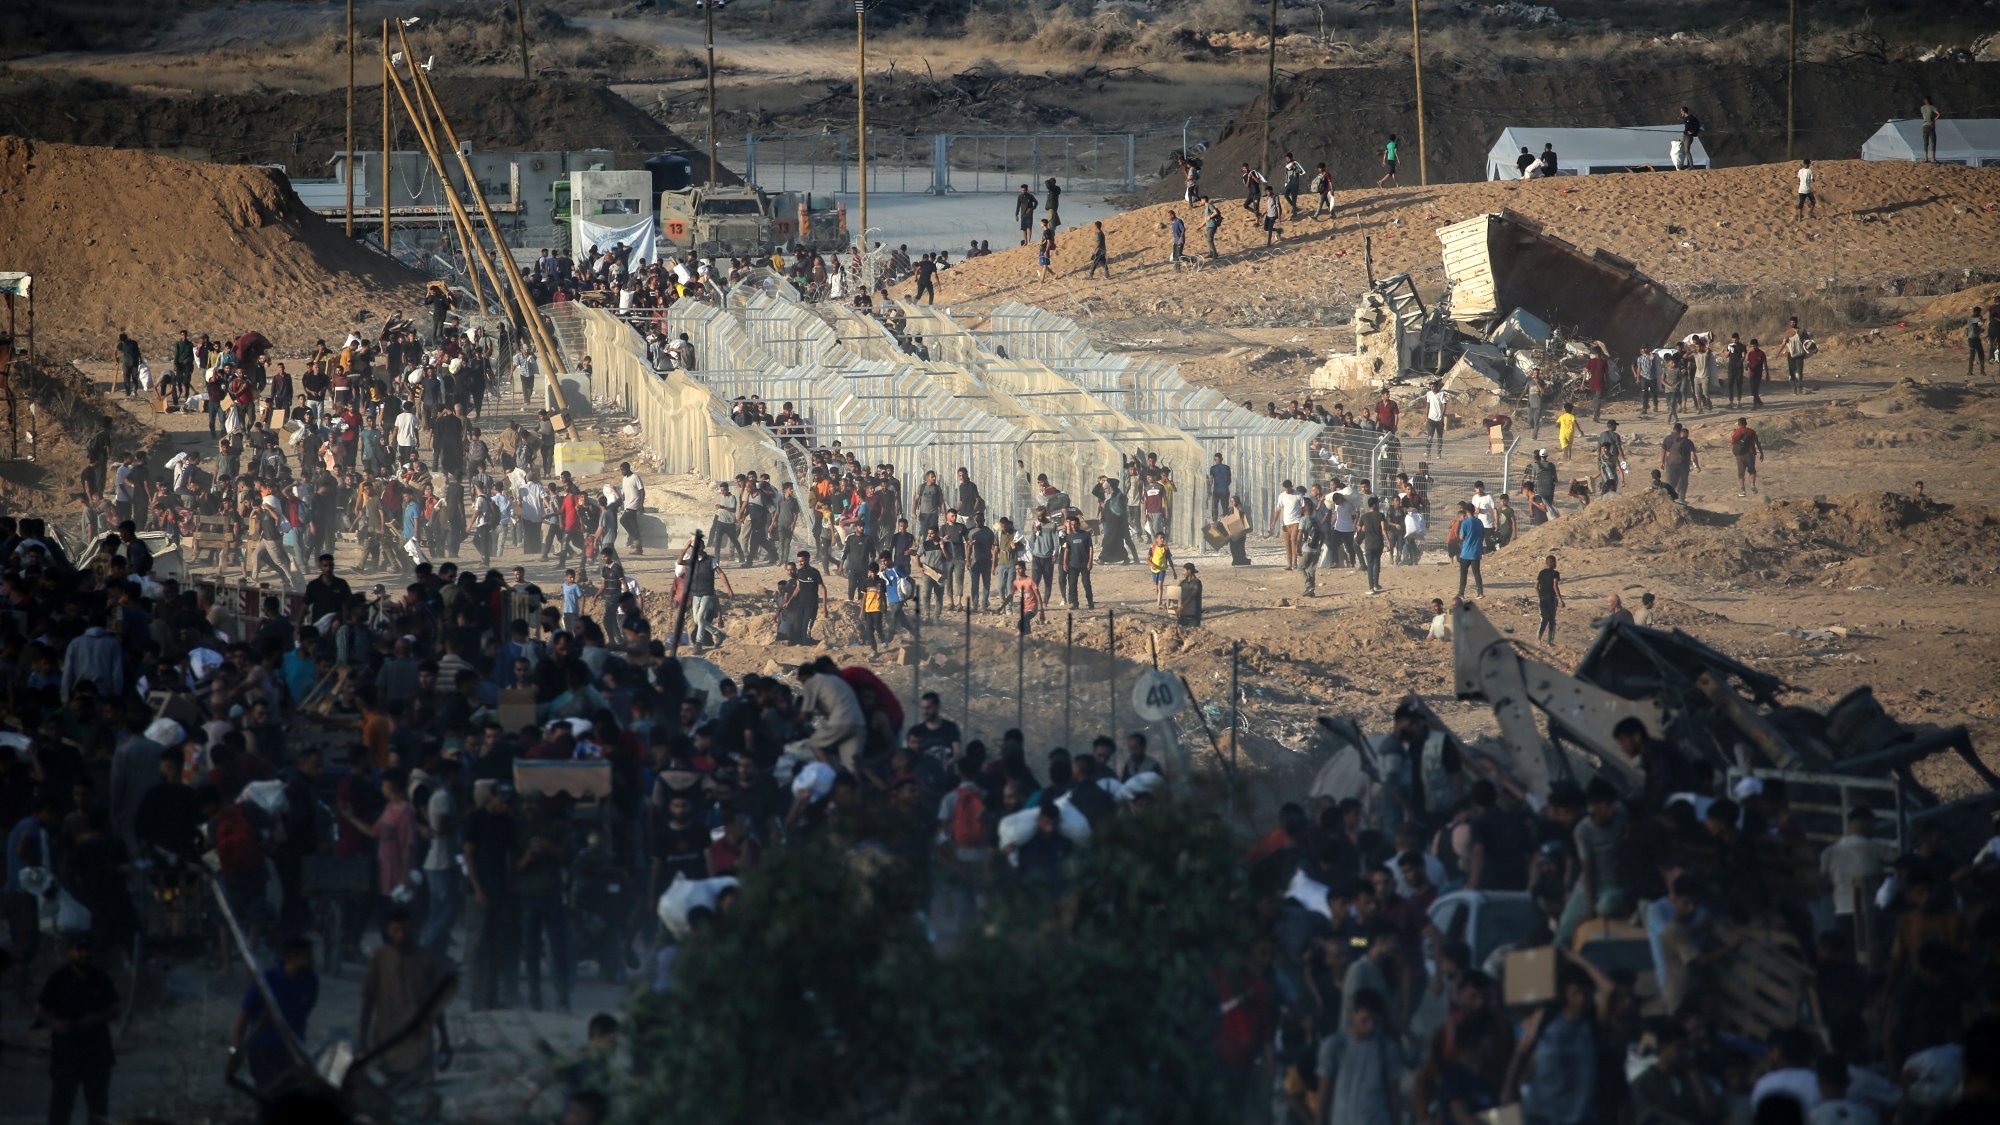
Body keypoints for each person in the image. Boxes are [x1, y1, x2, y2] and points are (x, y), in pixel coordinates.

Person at [358, 909, 451, 1084]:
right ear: (389, 931)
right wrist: (362, 1038)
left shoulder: (425, 958)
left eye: (405, 930)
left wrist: (445, 1039)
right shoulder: (379, 959)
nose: (401, 935)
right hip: (387, 1046)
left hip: (420, 1049)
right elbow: (368, 1001)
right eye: (397, 930)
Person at [38, 935, 121, 1125]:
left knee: (97, 1104)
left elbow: (115, 1008)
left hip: (96, 1048)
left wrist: (96, 1019)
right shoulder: (59, 978)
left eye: (86, 950)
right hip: (67, 1048)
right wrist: (56, 1023)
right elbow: (41, 1009)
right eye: (79, 950)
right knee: (62, 1102)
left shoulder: (100, 977)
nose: (84, 954)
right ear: (70, 952)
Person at [229, 937, 320, 1091]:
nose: (312, 959)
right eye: (307, 954)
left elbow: (308, 1007)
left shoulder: (310, 980)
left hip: (294, 1050)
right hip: (264, 1049)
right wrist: (236, 1048)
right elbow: (244, 1016)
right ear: (292, 955)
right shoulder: (268, 980)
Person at [1453, 501, 1486, 599]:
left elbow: (1461, 536)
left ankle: (1461, 594)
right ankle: (1480, 593)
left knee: (1463, 574)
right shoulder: (1479, 522)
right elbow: (1482, 535)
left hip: (1466, 552)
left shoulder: (1465, 522)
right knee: (1477, 573)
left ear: (1466, 511)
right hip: (1476, 552)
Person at [1536, 553, 1566, 644]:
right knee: (1552, 619)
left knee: (1544, 619)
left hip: (1542, 599)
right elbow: (1555, 586)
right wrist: (1560, 600)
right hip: (1551, 599)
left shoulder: (1541, 572)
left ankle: (1538, 638)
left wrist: (1540, 596)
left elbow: (1535, 586)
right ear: (1552, 563)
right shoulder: (1555, 573)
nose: (1556, 564)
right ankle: (1550, 642)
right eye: (1555, 562)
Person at [1730, 417, 1763, 496]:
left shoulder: (1736, 433)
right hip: (1750, 454)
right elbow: (1757, 442)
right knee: (1752, 471)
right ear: (1746, 423)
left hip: (1739, 455)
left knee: (1741, 474)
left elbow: (1733, 444)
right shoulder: (1751, 432)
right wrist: (1761, 452)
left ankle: (1742, 491)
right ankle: (1752, 485)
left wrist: (1735, 453)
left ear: (1738, 424)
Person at [1782, 317, 1810, 394]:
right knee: (1792, 371)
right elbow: (1784, 343)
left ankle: (1799, 386)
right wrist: (1779, 352)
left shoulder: (1802, 331)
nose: (1792, 324)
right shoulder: (1787, 332)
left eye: (1793, 322)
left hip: (1800, 354)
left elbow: (1808, 340)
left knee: (1799, 371)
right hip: (1790, 354)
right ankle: (1794, 388)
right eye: (1791, 322)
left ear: (1797, 322)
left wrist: (1810, 349)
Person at [1176, 563, 1203, 627]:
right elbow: (1176, 594)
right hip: (1183, 614)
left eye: (1184, 571)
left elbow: (1192, 596)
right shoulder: (1183, 582)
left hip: (1194, 615)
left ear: (1189, 571)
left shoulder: (1197, 582)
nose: (1183, 573)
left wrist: (1182, 607)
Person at [1920, 95, 1942, 163]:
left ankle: (1925, 158)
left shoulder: (1922, 108)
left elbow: (1924, 115)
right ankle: (1933, 158)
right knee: (1933, 142)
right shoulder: (1932, 107)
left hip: (1924, 126)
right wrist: (1934, 119)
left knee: (1925, 143)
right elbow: (1938, 114)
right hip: (1931, 125)